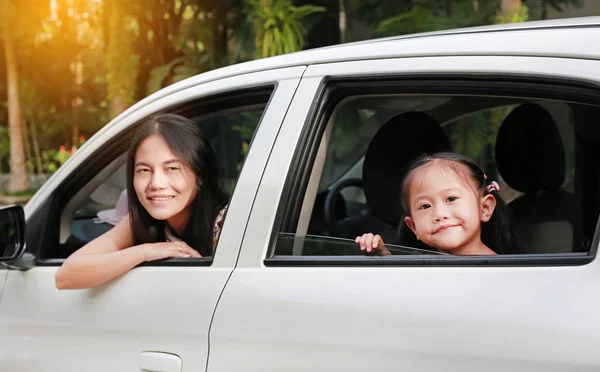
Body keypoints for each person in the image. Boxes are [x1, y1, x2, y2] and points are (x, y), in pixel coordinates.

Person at [56, 114, 227, 289]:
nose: (156, 184)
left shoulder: (227, 223)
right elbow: (66, 276)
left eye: (172, 168)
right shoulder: (141, 221)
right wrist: (145, 252)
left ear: (200, 174)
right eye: (144, 170)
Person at [356, 152, 517, 256]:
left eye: (451, 199)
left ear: (484, 208)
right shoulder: (430, 268)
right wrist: (383, 258)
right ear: (413, 227)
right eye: (425, 206)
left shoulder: (502, 272)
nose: (439, 214)